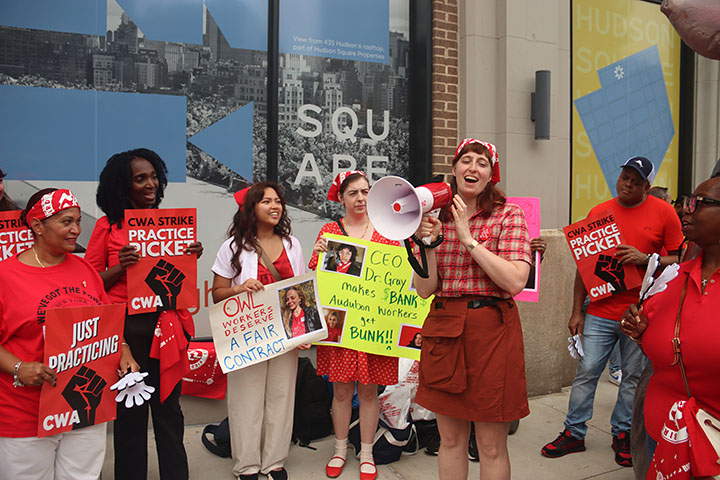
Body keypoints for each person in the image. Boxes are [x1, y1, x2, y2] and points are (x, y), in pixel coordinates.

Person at [541, 156, 684, 467]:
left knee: (632, 376)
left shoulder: (665, 213)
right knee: (587, 371)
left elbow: (679, 260)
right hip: (600, 311)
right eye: (624, 178)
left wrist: (646, 258)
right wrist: (576, 311)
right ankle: (574, 432)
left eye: (635, 181)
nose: (627, 185)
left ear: (647, 186)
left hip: (640, 312)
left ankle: (622, 433)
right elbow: (584, 268)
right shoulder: (599, 213)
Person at [411, 138, 531, 480]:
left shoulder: (509, 214)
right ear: (454, 168)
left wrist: (468, 238)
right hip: (445, 330)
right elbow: (425, 289)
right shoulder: (436, 217)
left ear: (491, 175)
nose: (472, 168)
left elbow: (515, 281)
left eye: (482, 162)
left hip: (492, 333)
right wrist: (429, 245)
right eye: (466, 160)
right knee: (450, 440)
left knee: (491, 446)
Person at [0, 188, 139, 479]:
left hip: (86, 408)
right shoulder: (6, 276)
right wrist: (19, 367)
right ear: (37, 226)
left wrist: (124, 351)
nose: (76, 230)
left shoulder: (85, 270)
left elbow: (107, 324)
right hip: (25, 414)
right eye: (66, 222)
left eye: (77, 221)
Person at [84, 148, 202, 480]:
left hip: (166, 327)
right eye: (140, 179)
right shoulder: (107, 227)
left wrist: (190, 255)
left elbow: (176, 280)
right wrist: (119, 268)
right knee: (130, 416)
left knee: (170, 414)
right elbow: (88, 284)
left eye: (153, 177)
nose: (150, 184)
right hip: (126, 333)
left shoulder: (170, 224)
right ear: (123, 186)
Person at [622, 177, 720, 479]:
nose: (686, 210)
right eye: (688, 202)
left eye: (699, 203)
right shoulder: (674, 277)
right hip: (661, 432)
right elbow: (663, 351)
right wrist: (639, 332)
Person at [211, 182, 308, 480]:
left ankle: (274, 462)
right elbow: (217, 294)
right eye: (266, 201)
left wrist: (305, 333)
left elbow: (301, 290)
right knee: (246, 401)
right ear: (251, 207)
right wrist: (239, 288)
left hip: (285, 335)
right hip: (247, 337)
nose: (274, 206)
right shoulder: (233, 247)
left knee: (281, 398)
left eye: (277, 201)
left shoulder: (292, 244)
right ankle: (247, 466)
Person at [310, 170, 399, 480]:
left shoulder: (387, 230)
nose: (361, 198)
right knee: (341, 392)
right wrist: (318, 256)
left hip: (373, 325)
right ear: (341, 198)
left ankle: (367, 452)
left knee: (370, 391)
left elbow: (400, 275)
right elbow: (317, 281)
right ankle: (339, 449)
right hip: (341, 325)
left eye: (365, 191)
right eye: (353, 193)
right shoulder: (330, 231)